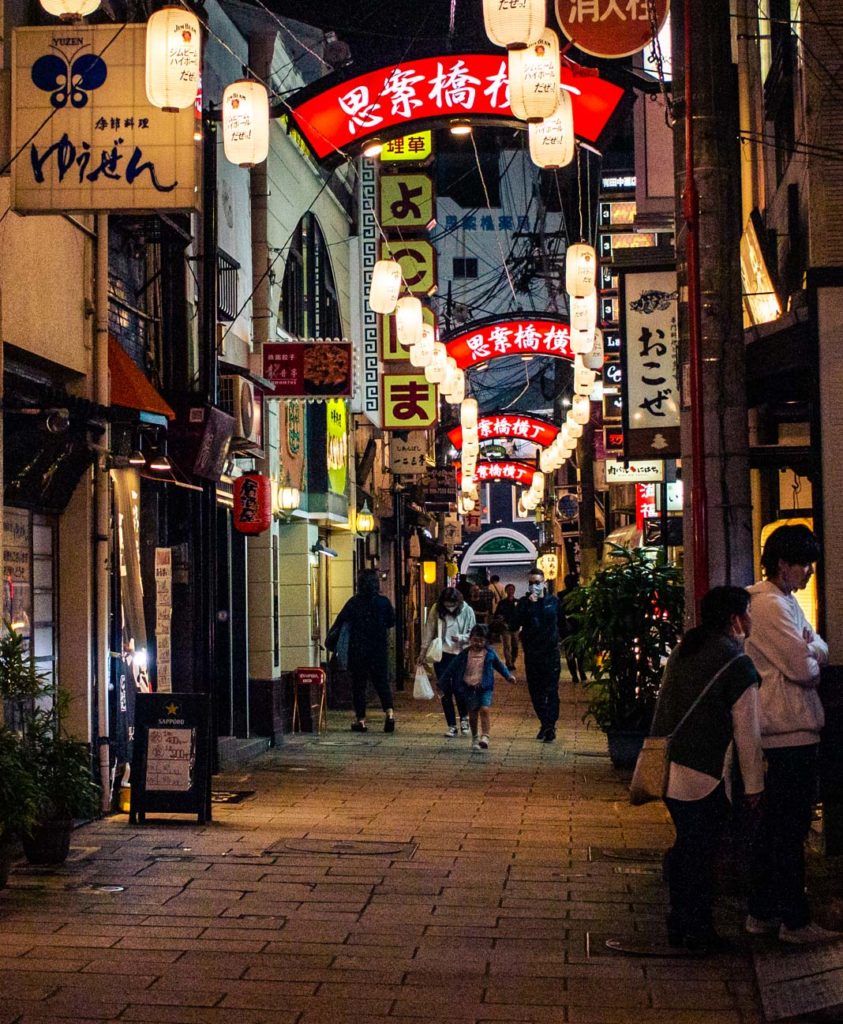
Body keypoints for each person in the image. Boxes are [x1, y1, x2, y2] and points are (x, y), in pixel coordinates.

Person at [650, 586, 764, 953]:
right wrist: (755, 786)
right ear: (734, 619)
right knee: (703, 853)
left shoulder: (687, 648)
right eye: (747, 612)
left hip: (672, 767)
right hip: (708, 773)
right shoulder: (737, 665)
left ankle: (681, 920)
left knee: (688, 847)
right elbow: (748, 732)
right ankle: (698, 928)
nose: (750, 619)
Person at [744, 524, 840, 945]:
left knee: (776, 828)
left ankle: (763, 912)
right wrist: (811, 657)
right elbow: (804, 668)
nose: (809, 573)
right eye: (805, 564)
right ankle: (792, 920)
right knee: (788, 828)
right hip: (788, 731)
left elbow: (818, 647)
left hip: (790, 728)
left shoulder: (783, 603)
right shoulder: (769, 606)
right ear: (784, 564)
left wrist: (811, 651)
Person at [328, 569, 396, 734]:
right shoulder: (383, 602)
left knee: (359, 686)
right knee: (382, 683)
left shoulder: (353, 603)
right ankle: (389, 714)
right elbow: (391, 621)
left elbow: (340, 622)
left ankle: (361, 720)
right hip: (379, 650)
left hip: (357, 650)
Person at [437, 624, 515, 751]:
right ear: (470, 639)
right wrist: (441, 682)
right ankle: (475, 737)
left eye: (481, 641)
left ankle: (485, 736)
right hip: (469, 687)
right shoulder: (464, 654)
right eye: (475, 640)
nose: (477, 643)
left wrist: (508, 676)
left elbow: (499, 666)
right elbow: (451, 668)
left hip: (485, 687)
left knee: (484, 709)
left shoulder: (489, 654)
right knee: (473, 713)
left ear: (486, 641)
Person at [514, 567, 567, 742]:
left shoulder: (553, 602)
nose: (534, 586)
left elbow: (563, 624)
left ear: (544, 582)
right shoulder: (524, 603)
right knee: (535, 691)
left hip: (550, 653)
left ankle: (550, 725)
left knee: (551, 689)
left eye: (537, 582)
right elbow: (514, 623)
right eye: (530, 583)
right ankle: (545, 723)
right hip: (532, 653)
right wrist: (529, 606)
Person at [418, 587, 476, 737]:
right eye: (447, 604)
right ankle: (451, 725)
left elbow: (473, 632)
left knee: (459, 687)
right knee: (444, 689)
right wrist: (422, 652)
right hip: (441, 655)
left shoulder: (467, 610)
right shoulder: (437, 610)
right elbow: (429, 630)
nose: (450, 608)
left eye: (452, 604)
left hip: (460, 654)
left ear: (458, 602)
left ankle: (464, 718)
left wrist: (462, 638)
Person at [560, 573, 585, 684]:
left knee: (574, 651)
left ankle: (577, 673)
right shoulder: (564, 595)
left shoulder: (577, 594)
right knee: (575, 651)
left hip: (572, 624)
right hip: (571, 624)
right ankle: (577, 673)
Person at [495, 583, 520, 670]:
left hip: (515, 627)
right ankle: (509, 663)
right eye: (509, 589)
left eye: (512, 589)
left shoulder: (518, 602)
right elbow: (497, 615)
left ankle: (513, 660)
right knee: (507, 646)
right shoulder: (502, 603)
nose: (510, 591)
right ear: (506, 591)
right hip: (505, 627)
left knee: (515, 646)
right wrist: (502, 621)